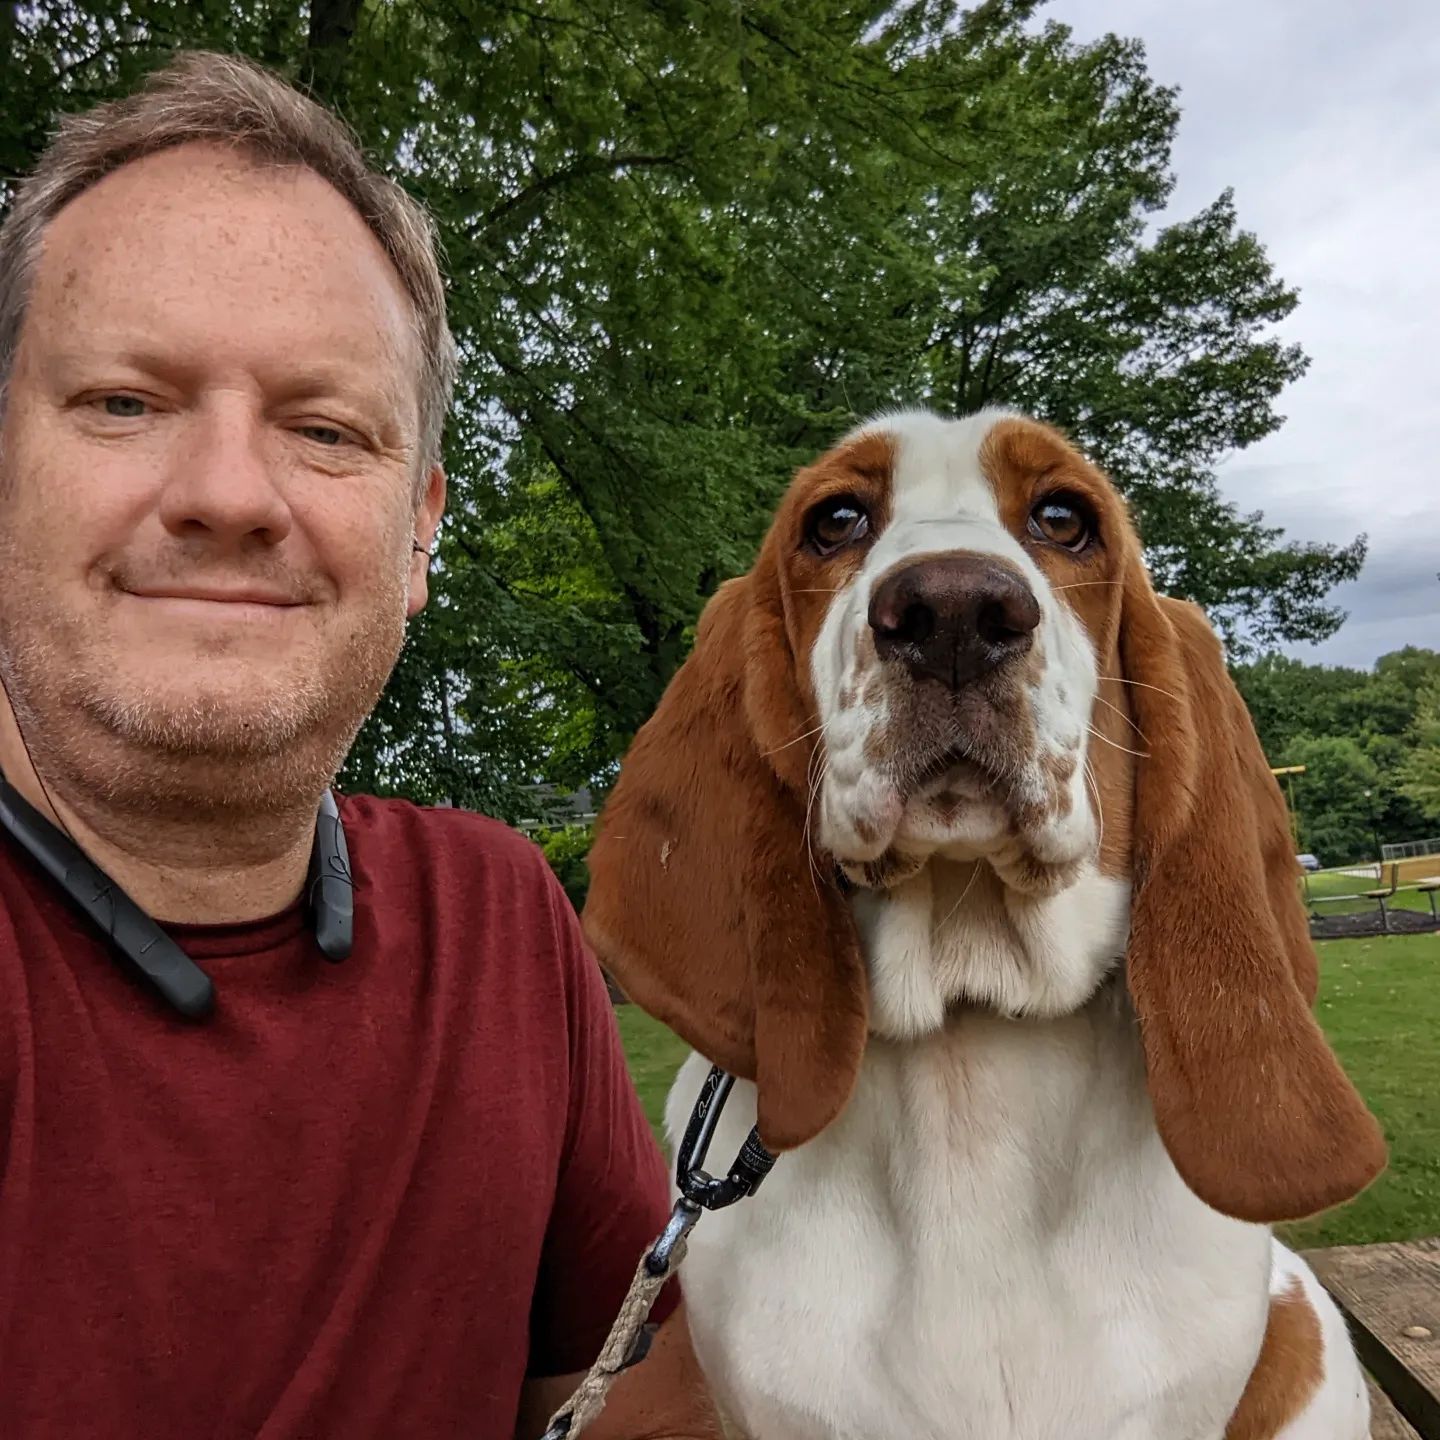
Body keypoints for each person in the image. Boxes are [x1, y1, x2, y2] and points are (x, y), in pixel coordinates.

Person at [0, 50, 718, 1440]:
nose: (226, 494)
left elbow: (626, 1406)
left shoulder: (497, 920)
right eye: (123, 404)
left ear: (421, 531)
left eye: (324, 429)